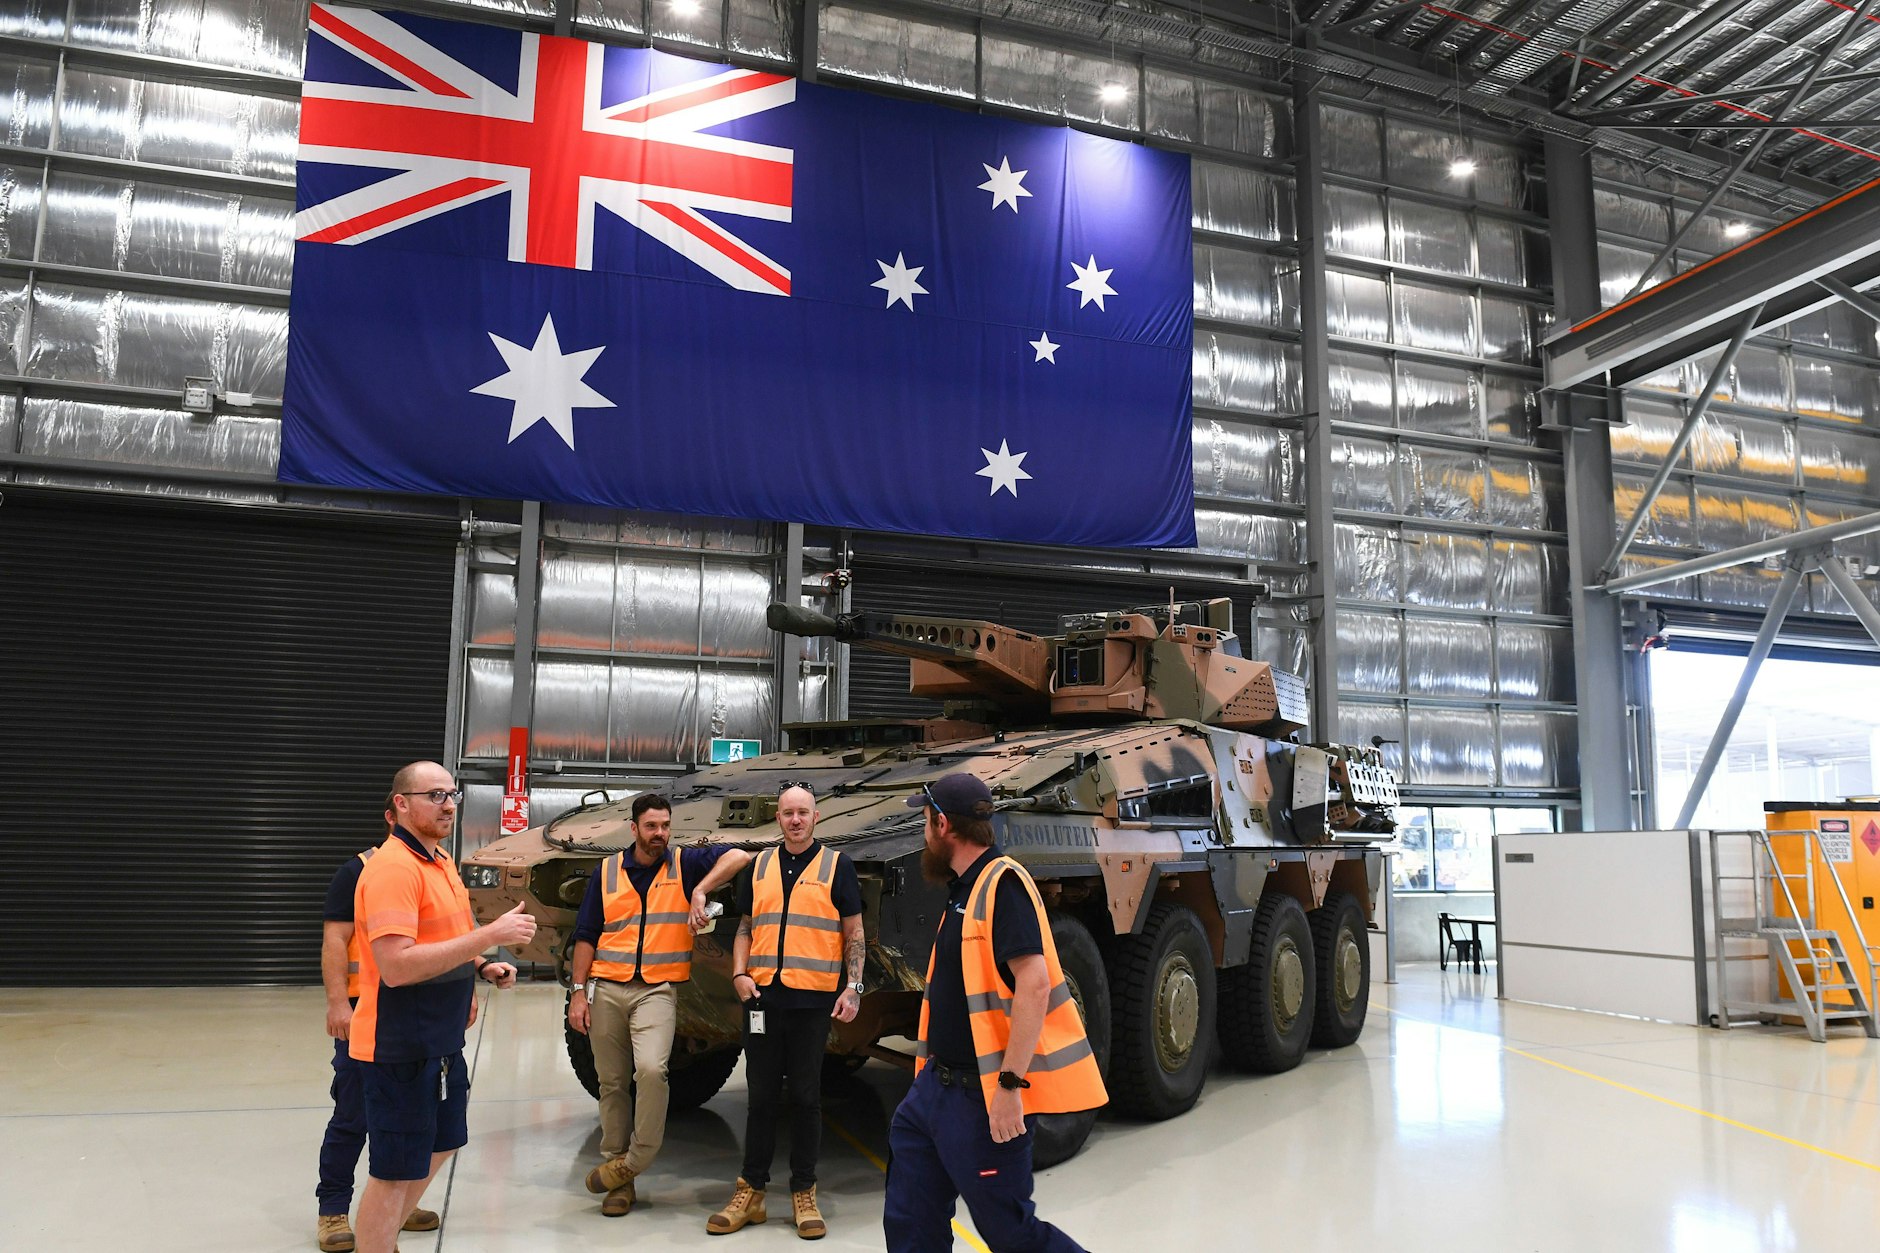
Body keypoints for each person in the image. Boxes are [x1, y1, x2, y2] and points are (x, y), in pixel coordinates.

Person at [881, 773, 1107, 1253]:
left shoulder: (1003, 884)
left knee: (1010, 1232)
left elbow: (1036, 982)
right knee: (911, 1218)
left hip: (979, 1099)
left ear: (943, 824)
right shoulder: (963, 888)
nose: (922, 831)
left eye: (924, 819)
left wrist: (1008, 1086)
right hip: (933, 1093)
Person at [350, 762, 538, 1253]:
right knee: (394, 1173)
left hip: (441, 1038)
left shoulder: (440, 861)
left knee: (445, 1140)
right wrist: (491, 935)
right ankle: (377, 1240)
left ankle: (383, 1235)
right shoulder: (394, 869)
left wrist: (481, 964)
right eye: (434, 795)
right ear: (401, 805)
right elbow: (395, 966)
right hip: (401, 1045)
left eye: (451, 793)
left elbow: (449, 937)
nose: (449, 803)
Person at [567, 792, 753, 1217]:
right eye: (651, 827)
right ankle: (621, 1177)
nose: (659, 834)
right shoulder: (607, 872)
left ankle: (637, 1158)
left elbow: (740, 856)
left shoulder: (684, 863)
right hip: (607, 987)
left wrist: (701, 891)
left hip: (657, 989)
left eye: (665, 826)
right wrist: (578, 991)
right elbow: (586, 935)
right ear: (634, 829)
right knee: (611, 1081)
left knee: (652, 1069)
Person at [707, 784, 865, 1240]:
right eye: (788, 813)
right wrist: (739, 974)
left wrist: (852, 987)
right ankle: (751, 1191)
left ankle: (804, 1191)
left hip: (812, 1001)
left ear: (816, 818)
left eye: (803, 813)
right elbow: (746, 927)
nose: (795, 820)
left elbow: (853, 933)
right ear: (777, 818)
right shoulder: (758, 867)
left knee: (805, 1097)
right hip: (762, 1000)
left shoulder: (838, 866)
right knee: (759, 1098)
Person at [313, 810, 440, 1252]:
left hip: (413, 1012)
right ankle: (333, 1209)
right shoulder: (359, 870)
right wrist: (336, 1003)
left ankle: (396, 1202)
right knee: (353, 1112)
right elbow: (334, 940)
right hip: (361, 1008)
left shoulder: (436, 869)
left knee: (411, 1114)